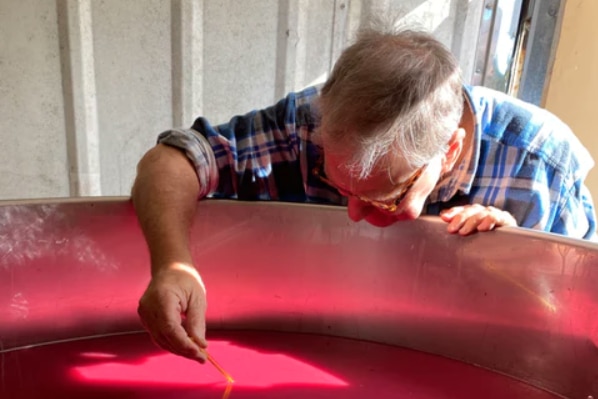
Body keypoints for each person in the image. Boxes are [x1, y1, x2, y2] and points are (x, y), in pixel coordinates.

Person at [131, 25, 597, 363]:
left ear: (450, 150)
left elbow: (577, 330)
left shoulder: (539, 168)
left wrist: (525, 254)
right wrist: (173, 265)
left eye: (383, 199)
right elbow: (175, 159)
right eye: (338, 186)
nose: (353, 214)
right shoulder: (308, 122)